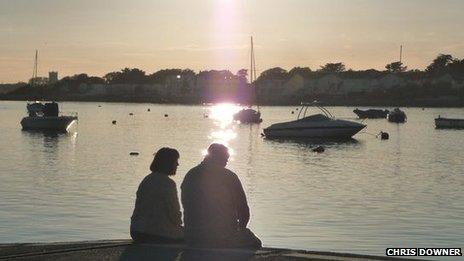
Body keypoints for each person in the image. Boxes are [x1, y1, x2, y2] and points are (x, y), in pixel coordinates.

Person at [181, 143, 261, 249]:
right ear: (218, 157)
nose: (227, 161)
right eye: (225, 158)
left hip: (193, 234)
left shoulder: (190, 174)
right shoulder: (229, 176)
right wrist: (240, 230)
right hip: (222, 236)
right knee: (255, 243)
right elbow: (243, 210)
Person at [130, 147, 184, 244]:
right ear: (168, 163)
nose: (177, 164)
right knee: (195, 235)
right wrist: (180, 225)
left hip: (136, 231)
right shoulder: (168, 184)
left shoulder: (146, 180)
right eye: (175, 161)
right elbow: (174, 213)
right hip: (157, 234)